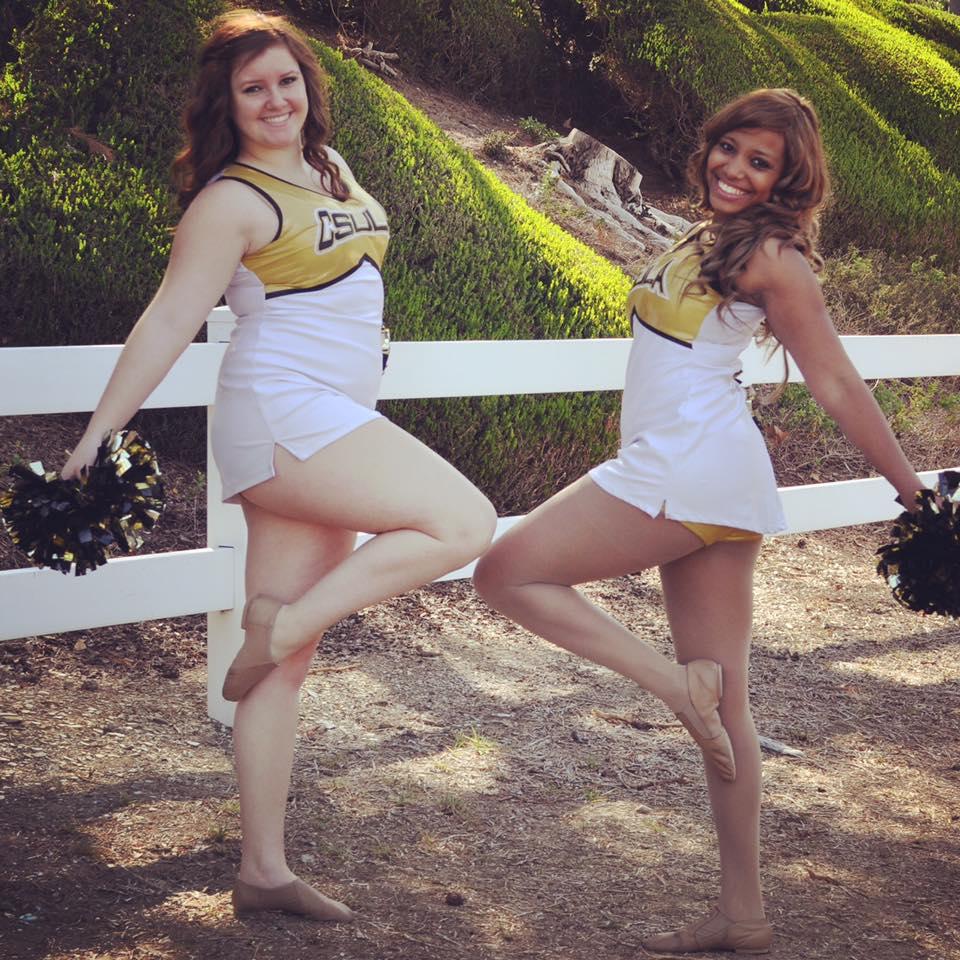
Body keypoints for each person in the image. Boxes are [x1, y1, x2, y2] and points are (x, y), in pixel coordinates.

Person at [63, 8, 496, 924]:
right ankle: (282, 621)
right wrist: (100, 431)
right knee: (464, 522)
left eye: (286, 81)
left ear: (308, 85)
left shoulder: (329, 167)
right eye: (252, 88)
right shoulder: (231, 200)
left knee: (281, 667)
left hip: (332, 412)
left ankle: (262, 869)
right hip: (282, 413)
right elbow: (170, 318)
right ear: (225, 102)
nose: (274, 100)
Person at [472, 88, 924, 955]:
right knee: (728, 706)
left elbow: (834, 380)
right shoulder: (709, 236)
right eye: (731, 150)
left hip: (686, 467)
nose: (736, 170)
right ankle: (743, 913)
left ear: (788, 180)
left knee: (506, 571)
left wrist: (911, 491)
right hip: (704, 472)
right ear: (711, 144)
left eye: (761, 163)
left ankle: (673, 686)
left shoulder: (776, 258)